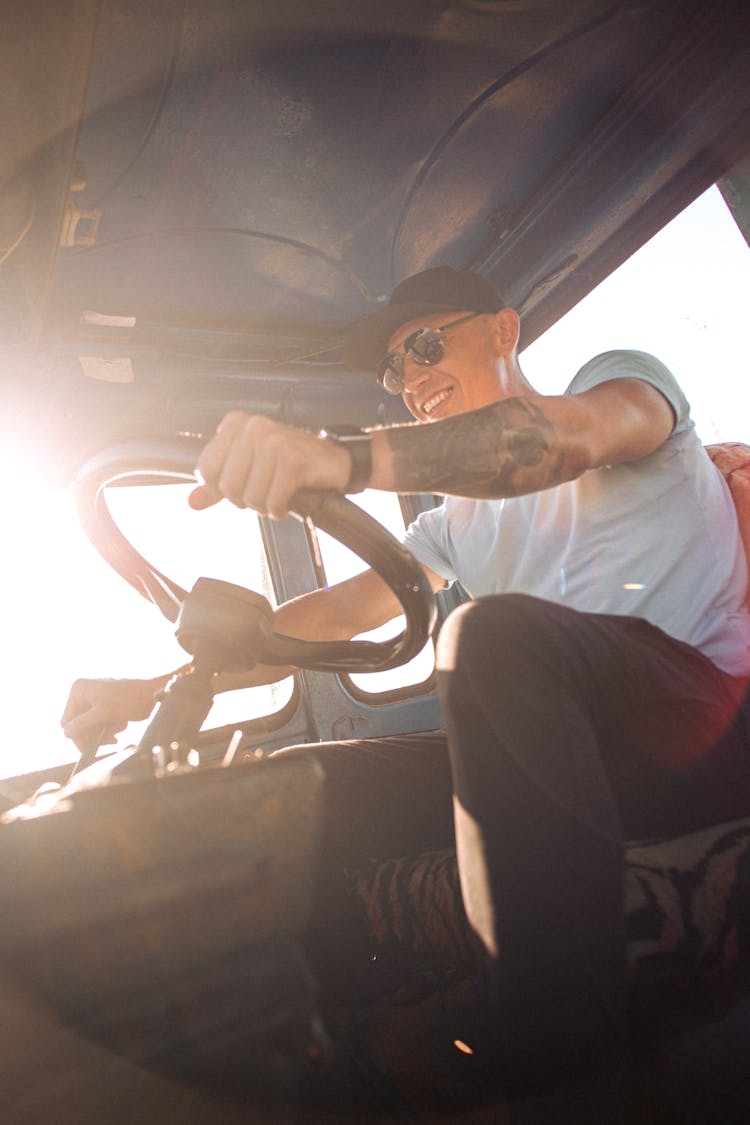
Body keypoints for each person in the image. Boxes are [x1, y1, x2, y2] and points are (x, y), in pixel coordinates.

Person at [62, 267, 750, 1089]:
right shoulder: (454, 525)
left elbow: (550, 440)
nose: (412, 379)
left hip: (699, 737)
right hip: (570, 760)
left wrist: (339, 459)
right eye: (394, 371)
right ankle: (323, 1034)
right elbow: (321, 619)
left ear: (504, 330)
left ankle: (556, 1060)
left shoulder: (619, 386)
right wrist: (147, 691)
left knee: (490, 637)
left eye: (425, 345)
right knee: (301, 788)